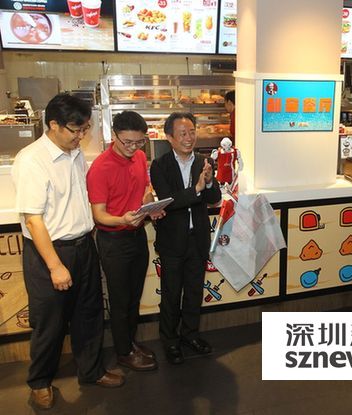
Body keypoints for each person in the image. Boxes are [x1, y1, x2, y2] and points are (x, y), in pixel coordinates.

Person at [11, 93, 124, 410]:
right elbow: (33, 220)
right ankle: (40, 383)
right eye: (76, 130)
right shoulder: (32, 160)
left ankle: (91, 371)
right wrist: (55, 266)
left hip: (83, 245)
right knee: (50, 323)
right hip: (50, 252)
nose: (81, 136)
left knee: (89, 314)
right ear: (53, 125)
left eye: (85, 129)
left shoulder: (75, 154)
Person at [87, 111, 164, 372]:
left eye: (139, 142)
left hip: (137, 234)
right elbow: (99, 215)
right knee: (120, 300)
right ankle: (123, 352)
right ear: (114, 135)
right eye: (127, 142)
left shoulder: (140, 157)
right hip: (113, 240)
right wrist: (122, 219)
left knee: (133, 296)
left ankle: (130, 343)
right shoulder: (100, 168)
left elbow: (145, 189)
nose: (133, 147)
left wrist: (150, 205)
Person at [150, 112, 221, 365]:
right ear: (169, 137)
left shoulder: (203, 161)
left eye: (192, 132)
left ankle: (190, 335)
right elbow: (168, 202)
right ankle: (170, 340)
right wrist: (197, 188)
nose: (189, 138)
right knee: (171, 294)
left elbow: (215, 199)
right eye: (182, 133)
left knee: (193, 291)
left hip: (197, 238)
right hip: (172, 241)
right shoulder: (159, 166)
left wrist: (209, 183)